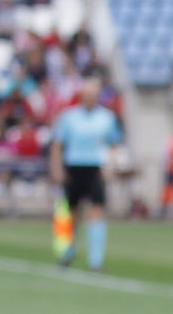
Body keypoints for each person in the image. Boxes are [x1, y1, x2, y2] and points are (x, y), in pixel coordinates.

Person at [48, 78, 123, 271]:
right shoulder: (69, 117)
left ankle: (95, 260)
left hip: (94, 167)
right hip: (74, 166)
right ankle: (66, 252)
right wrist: (57, 168)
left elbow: (114, 144)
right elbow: (58, 144)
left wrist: (111, 167)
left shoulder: (106, 118)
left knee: (96, 212)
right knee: (70, 214)